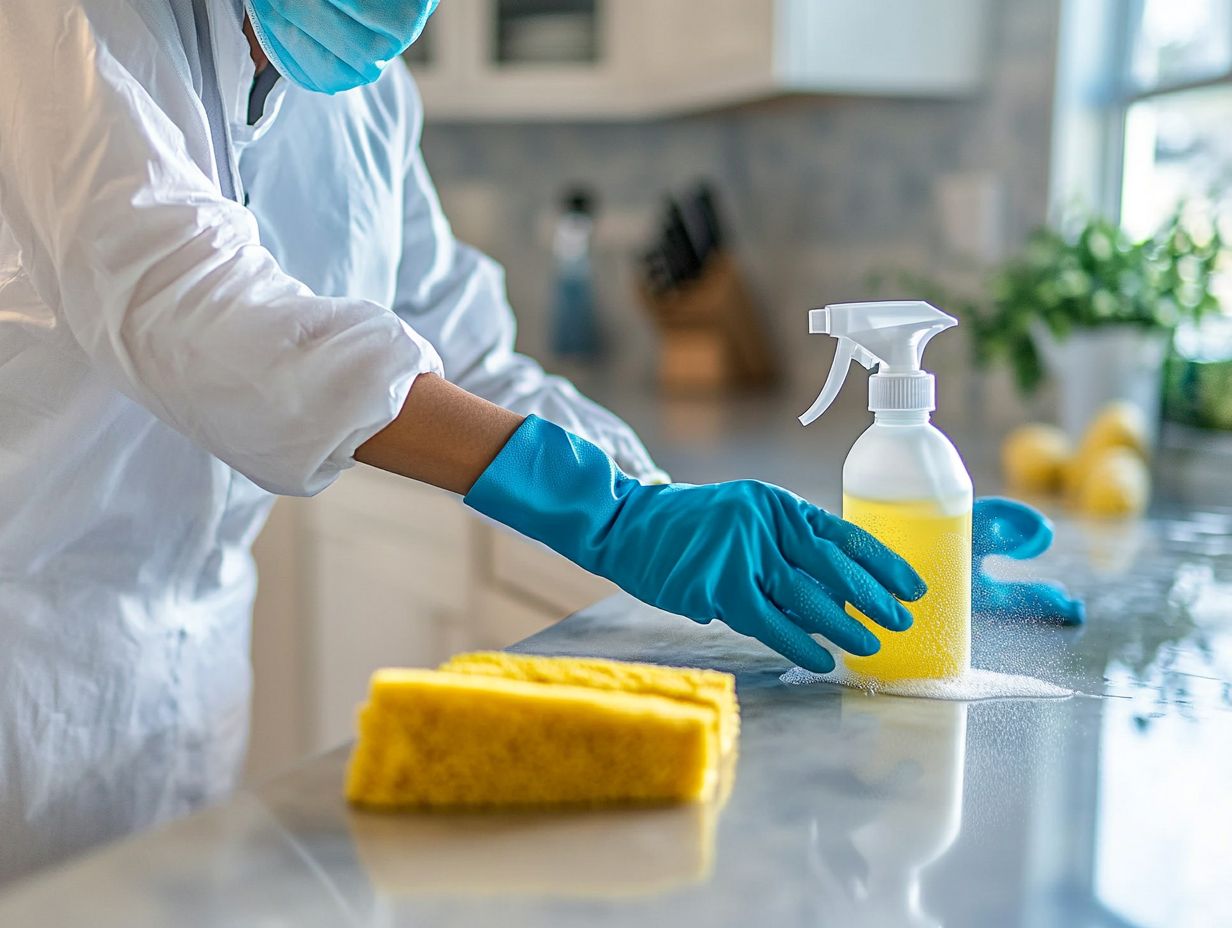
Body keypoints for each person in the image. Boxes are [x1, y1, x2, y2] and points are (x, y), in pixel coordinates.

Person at [0, 0, 1078, 883]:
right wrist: (603, 514)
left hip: (186, 668)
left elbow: (468, 353)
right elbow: (188, 300)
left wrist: (665, 504)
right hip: (25, 644)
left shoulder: (367, 104)